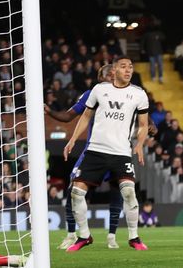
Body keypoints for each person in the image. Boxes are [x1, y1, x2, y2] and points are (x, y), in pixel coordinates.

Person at [63, 55, 150, 252]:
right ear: (114, 70)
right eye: (123, 66)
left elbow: (144, 124)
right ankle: (84, 236)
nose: (128, 70)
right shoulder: (99, 90)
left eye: (130, 67)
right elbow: (86, 116)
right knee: (76, 193)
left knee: (129, 192)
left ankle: (134, 237)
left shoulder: (139, 94)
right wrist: (73, 139)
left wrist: (140, 143)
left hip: (121, 152)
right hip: (95, 151)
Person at [46, 64, 124, 250]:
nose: (115, 79)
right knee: (73, 189)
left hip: (118, 150)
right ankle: (72, 235)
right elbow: (68, 116)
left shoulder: (126, 94)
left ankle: (112, 236)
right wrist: (49, 111)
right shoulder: (92, 94)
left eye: (116, 75)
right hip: (93, 151)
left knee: (119, 190)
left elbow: (141, 112)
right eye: (111, 75)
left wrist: (151, 124)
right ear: (101, 78)